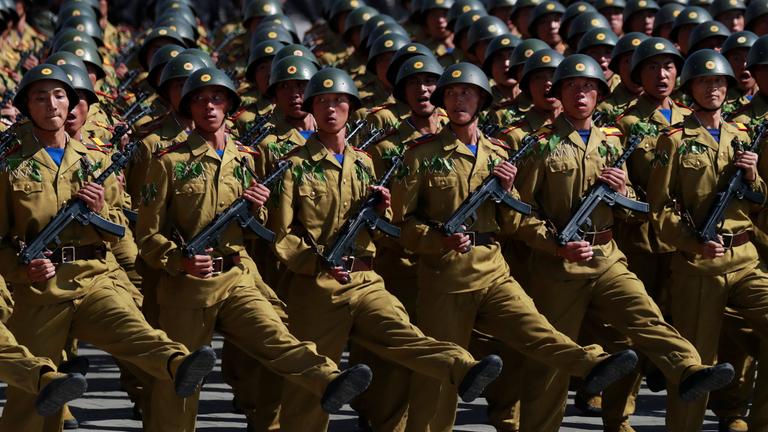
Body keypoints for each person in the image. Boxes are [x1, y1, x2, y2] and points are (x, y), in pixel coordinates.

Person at [392, 61, 640, 432]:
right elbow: (404, 225)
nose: (459, 99)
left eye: (468, 93)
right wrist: (437, 239)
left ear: (481, 101)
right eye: (453, 93)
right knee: (439, 377)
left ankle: (591, 365)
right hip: (446, 276)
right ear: (443, 101)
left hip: (493, 269)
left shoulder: (496, 155)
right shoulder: (420, 155)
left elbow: (515, 222)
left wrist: (508, 193)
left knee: (537, 332)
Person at [269, 66, 505, 432]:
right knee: (309, 391)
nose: (331, 109)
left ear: (351, 108)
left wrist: (382, 211)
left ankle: (464, 367)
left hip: (365, 279)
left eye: (339, 101)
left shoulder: (364, 162)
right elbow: (282, 236)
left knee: (406, 336)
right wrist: (315, 262)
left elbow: (388, 230)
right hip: (317, 286)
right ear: (311, 110)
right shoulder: (293, 166)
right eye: (322, 102)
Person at [513, 54, 734, 432]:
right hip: (559, 265)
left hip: (608, 256)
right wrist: (556, 245)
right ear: (560, 94)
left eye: (588, 87)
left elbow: (632, 210)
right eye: (571, 87)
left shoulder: (612, 141)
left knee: (646, 317)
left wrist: (623, 189)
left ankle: (689, 369)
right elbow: (519, 215)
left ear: (599, 94)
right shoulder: (540, 145)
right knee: (552, 362)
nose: (580, 94)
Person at [0, 64, 216, 432]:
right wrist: (22, 269)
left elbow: (118, 229)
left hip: (95, 277)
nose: (52, 105)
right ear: (26, 106)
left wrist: (100, 208)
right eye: (40, 97)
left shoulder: (94, 159)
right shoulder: (9, 166)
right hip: (40, 290)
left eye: (59, 96)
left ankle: (178, 364)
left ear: (71, 104)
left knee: (136, 331)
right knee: (33, 402)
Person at [647, 48, 768, 432]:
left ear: (728, 88)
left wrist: (752, 179)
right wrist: (691, 243)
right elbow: (659, 210)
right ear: (690, 88)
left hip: (746, 257)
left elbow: (761, 198)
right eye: (704, 81)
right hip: (699, 263)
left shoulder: (742, 135)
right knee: (697, 364)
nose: (712, 88)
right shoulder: (674, 140)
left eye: (718, 81)